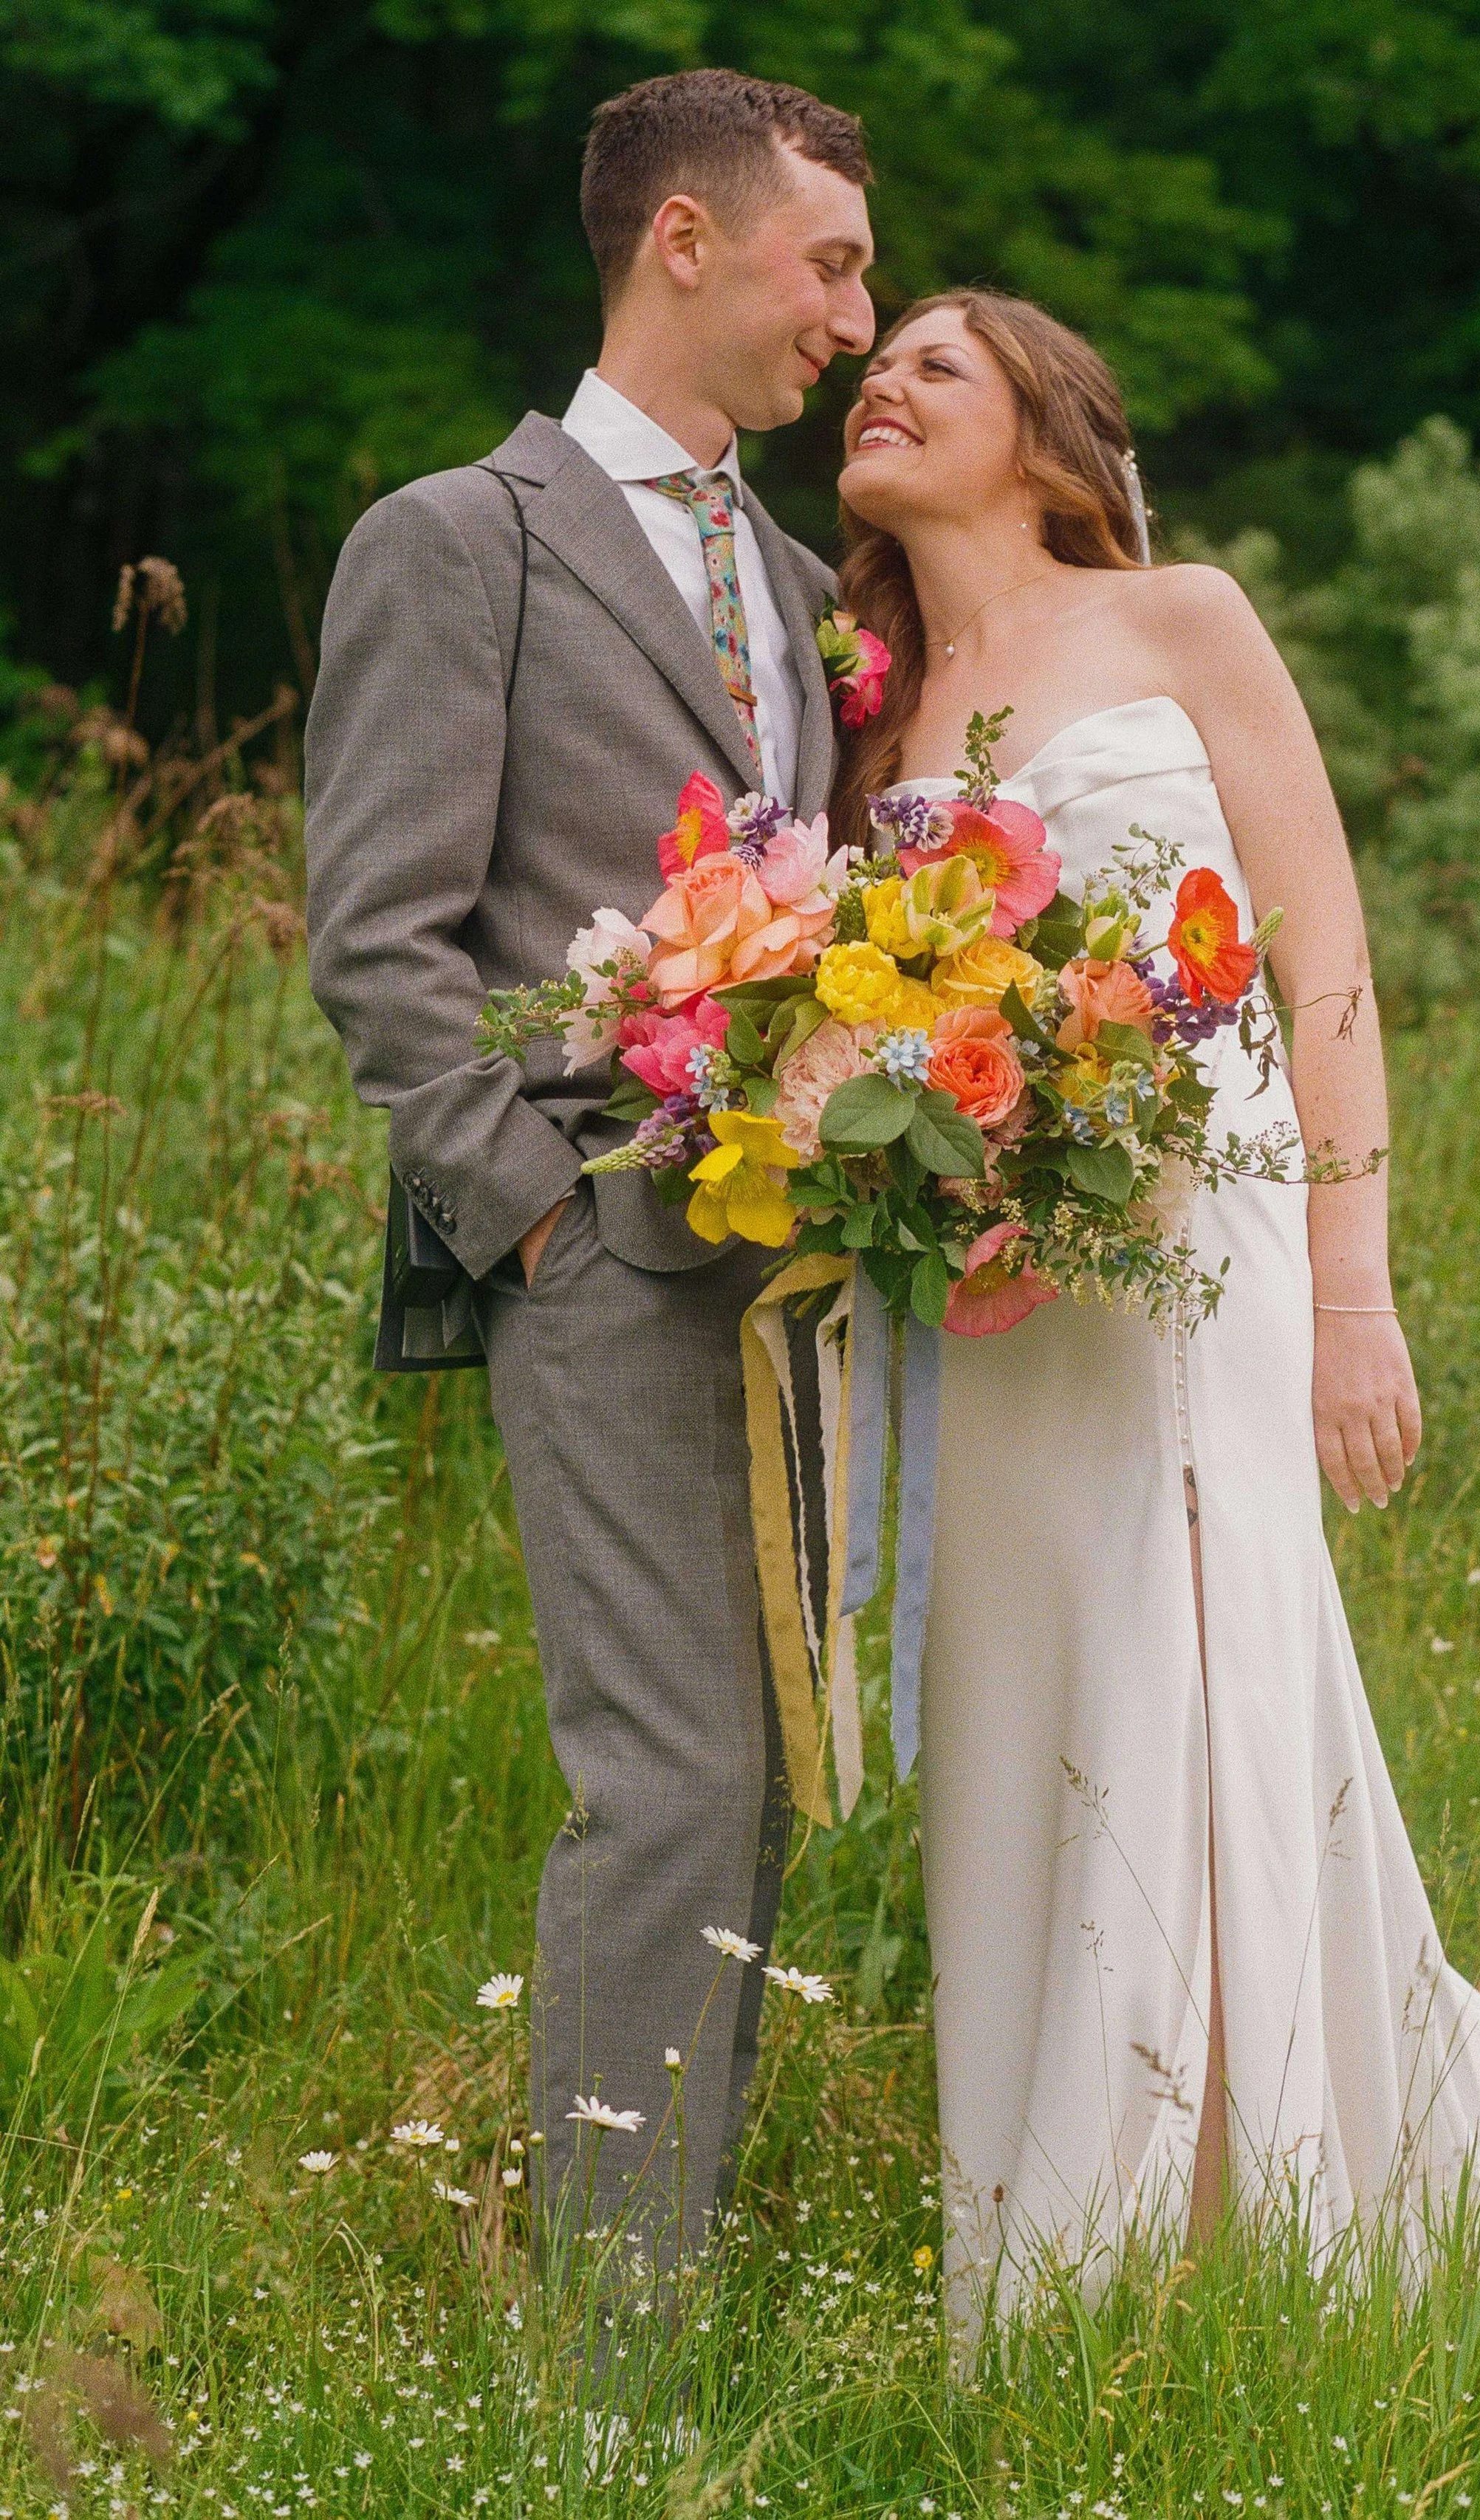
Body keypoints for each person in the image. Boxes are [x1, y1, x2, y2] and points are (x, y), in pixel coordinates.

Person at [832, 288, 1480, 2349]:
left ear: (1046, 433)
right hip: (1005, 1303)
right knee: (1033, 1698)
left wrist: (1355, 1293)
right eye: (874, 356)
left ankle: (1226, 2197)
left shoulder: (1183, 618)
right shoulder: (877, 702)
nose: (886, 378)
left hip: (1206, 1261)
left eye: (939, 361)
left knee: (1200, 1669)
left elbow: (1323, 961)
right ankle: (1057, 2192)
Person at [304, 68, 876, 2266]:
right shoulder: (463, 539)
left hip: (791, 1270)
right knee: (665, 1785)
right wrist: (531, 1218)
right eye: (828, 260)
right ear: (685, 242)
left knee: (756, 1787)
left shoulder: (804, 578)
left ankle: (675, 2281)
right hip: (596, 1256)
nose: (854, 310)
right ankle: (605, 2384)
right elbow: (381, 937)